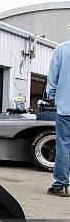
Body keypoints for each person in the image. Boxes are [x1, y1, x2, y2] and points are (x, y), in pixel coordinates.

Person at [46, 39, 70, 197]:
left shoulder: (62, 49)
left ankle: (60, 186)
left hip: (66, 107)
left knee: (63, 146)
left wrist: (54, 96)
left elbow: (52, 77)